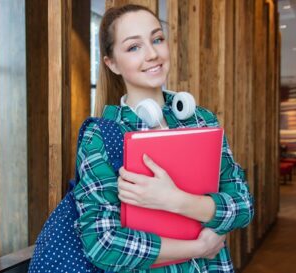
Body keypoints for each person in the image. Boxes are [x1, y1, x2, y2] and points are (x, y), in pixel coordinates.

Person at [73, 4, 254, 273]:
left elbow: (243, 204)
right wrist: (198, 248)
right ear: (111, 63)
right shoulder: (101, 135)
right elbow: (102, 243)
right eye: (134, 47)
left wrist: (175, 200)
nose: (153, 54)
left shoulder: (201, 120)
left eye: (157, 39)